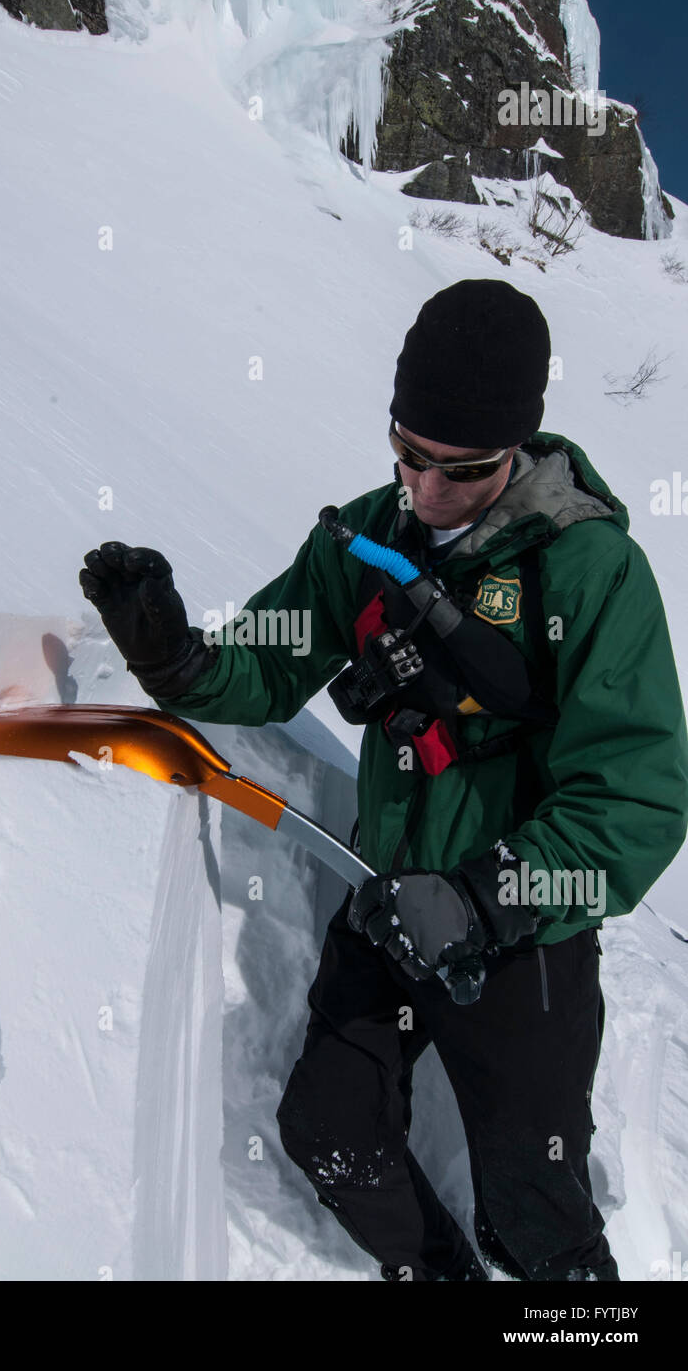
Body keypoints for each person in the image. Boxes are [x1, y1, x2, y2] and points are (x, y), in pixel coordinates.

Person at [79, 279, 688, 1282]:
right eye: (407, 453)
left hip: (521, 943)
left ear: (519, 445)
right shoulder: (367, 538)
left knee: (533, 1215)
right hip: (387, 903)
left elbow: (632, 800)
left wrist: (482, 897)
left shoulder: (586, 572)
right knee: (326, 1129)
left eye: (463, 469)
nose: (426, 490)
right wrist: (174, 659)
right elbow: (272, 661)